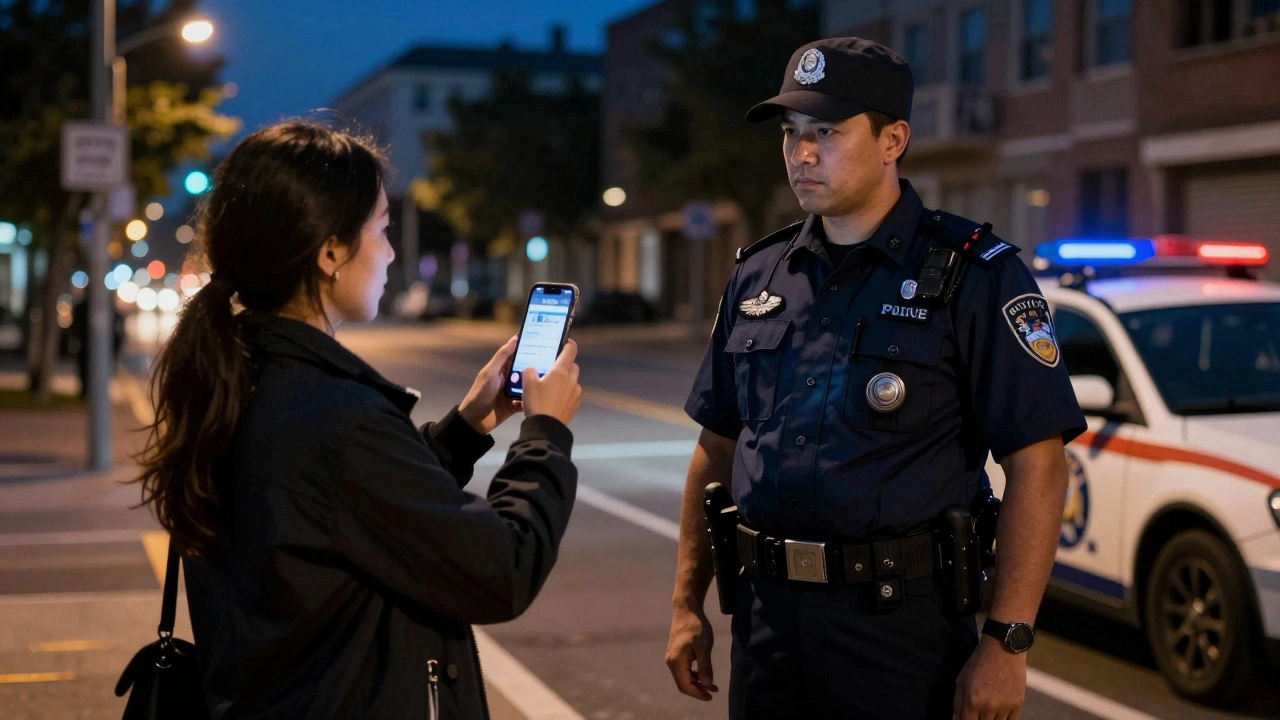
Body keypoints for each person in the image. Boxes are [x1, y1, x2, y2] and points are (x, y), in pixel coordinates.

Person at [665, 38, 1086, 720]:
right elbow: (716, 448)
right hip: (767, 627)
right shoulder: (758, 276)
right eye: (791, 133)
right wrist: (687, 604)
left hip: (900, 636)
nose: (802, 154)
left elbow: (1039, 466)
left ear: (893, 140)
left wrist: (1007, 642)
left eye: (826, 133)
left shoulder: (975, 275)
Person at [134, 121, 582, 719]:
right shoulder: (335, 418)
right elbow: (503, 569)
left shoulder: (242, 379)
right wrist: (545, 436)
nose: (391, 252)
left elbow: (354, 507)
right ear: (330, 253)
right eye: (382, 229)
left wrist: (467, 427)